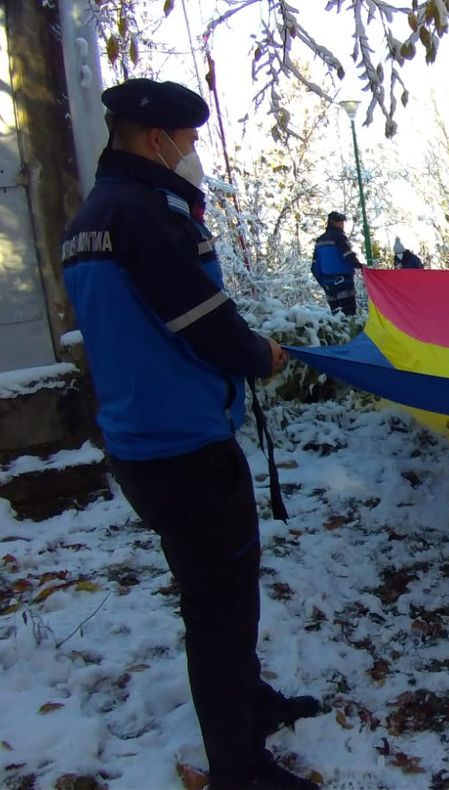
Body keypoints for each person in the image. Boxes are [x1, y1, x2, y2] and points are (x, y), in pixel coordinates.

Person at [61, 78, 320, 790]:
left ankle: (250, 704)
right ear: (156, 139)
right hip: (185, 449)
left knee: (223, 591)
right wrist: (255, 355)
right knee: (218, 607)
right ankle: (239, 767)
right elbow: (200, 319)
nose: (193, 153)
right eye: (191, 140)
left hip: (143, 441)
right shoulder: (143, 214)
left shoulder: (90, 217)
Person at [311, 211, 364, 314]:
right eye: (340, 222)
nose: (342, 224)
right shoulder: (340, 237)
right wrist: (360, 266)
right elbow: (348, 255)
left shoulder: (319, 241)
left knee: (336, 318)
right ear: (332, 222)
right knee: (349, 316)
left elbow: (314, 267)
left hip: (328, 285)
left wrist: (323, 283)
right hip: (344, 282)